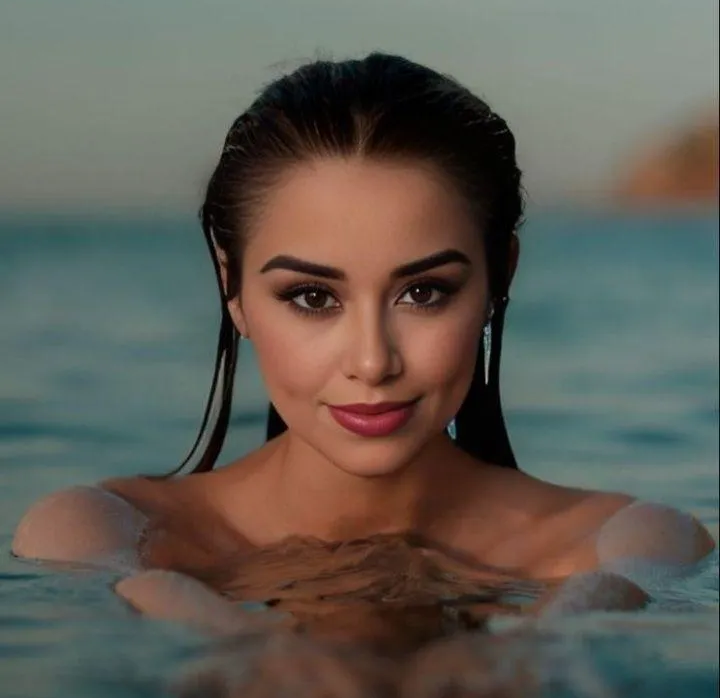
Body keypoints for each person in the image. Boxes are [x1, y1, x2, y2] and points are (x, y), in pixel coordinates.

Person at [12, 53, 715, 631]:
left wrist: (559, 639)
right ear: (234, 292)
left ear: (500, 277)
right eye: (312, 297)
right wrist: (215, 630)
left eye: (424, 292)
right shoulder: (103, 533)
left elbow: (634, 577)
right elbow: (111, 580)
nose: (373, 361)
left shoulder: (624, 541)